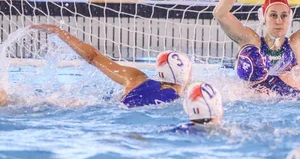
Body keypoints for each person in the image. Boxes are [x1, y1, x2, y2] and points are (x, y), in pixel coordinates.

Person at [28, 24, 193, 108]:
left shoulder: (135, 78)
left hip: (108, 108)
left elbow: (93, 57)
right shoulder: (183, 101)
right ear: (187, 75)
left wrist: (59, 31)